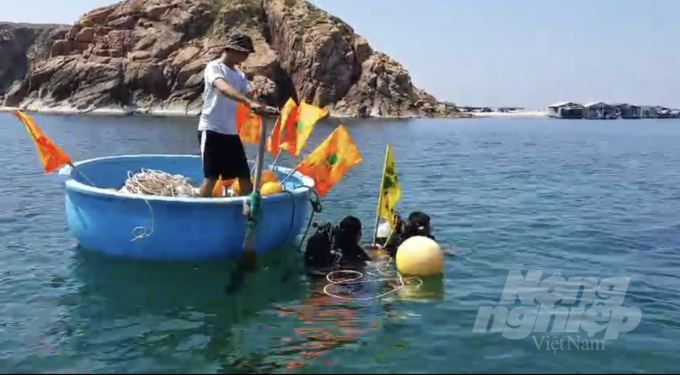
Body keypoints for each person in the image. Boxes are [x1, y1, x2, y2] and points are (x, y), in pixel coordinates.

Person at [197, 31, 278, 198]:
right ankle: (199, 210)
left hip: (231, 133)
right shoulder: (214, 67)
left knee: (244, 176)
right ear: (231, 50)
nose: (246, 57)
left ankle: (249, 210)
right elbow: (223, 88)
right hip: (211, 129)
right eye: (244, 53)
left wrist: (263, 107)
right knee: (211, 178)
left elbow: (247, 96)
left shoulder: (239, 75)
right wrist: (249, 103)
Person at [304, 215, 372, 275]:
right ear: (358, 233)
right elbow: (365, 261)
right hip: (323, 273)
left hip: (309, 268)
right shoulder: (348, 244)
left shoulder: (331, 236)